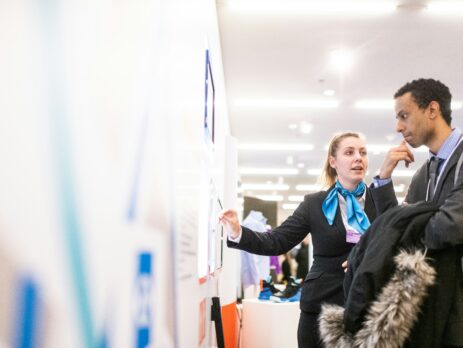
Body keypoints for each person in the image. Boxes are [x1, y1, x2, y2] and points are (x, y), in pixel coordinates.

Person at [219, 132, 397, 348]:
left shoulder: (381, 200)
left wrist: (366, 258)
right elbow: (277, 241)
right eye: (349, 152)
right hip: (321, 307)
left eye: (362, 152)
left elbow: (396, 243)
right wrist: (238, 231)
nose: (358, 158)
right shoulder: (314, 204)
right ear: (333, 162)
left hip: (368, 307)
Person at [375, 78, 463, 346]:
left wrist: (409, 226)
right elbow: (394, 228)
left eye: (404, 116)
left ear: (432, 110)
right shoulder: (424, 174)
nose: (398, 127)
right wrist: (383, 178)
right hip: (433, 309)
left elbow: (447, 227)